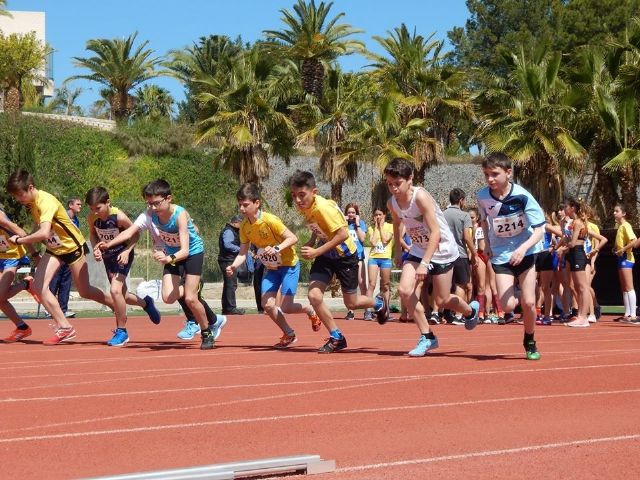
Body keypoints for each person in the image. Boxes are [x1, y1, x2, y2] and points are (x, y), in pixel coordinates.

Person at [99, 180, 225, 349]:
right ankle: (192, 286)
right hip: (172, 255)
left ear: (168, 199)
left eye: (156, 203)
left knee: (190, 298)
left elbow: (186, 251)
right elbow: (131, 231)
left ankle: (206, 332)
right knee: (168, 298)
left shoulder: (179, 214)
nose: (153, 207)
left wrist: (169, 258)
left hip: (191, 254)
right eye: (149, 203)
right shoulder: (149, 215)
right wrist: (110, 244)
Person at [6, 170, 115, 345]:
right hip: (55, 249)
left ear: (31, 187)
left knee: (85, 291)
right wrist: (35, 253)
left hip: (73, 248)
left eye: (20, 195)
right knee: (39, 286)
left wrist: (20, 240)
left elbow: (43, 233)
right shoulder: (31, 203)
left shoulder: (46, 201)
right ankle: (64, 327)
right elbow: (40, 227)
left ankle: (117, 306)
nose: (19, 199)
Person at [384, 158, 479, 357]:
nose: (393, 188)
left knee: (442, 300)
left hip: (442, 249)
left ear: (410, 179)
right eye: (389, 184)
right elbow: (396, 222)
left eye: (397, 183)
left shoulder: (421, 197)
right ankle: (427, 336)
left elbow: (436, 232)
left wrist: (425, 264)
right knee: (404, 290)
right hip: (418, 250)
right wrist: (398, 251)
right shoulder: (392, 202)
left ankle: (470, 312)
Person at [289, 170, 389, 354]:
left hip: (345, 256)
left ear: (314, 192)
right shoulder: (307, 206)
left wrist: (316, 250)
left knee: (351, 303)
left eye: (301, 195)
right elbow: (319, 224)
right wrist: (312, 242)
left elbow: (342, 234)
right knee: (314, 296)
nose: (297, 200)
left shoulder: (323, 208)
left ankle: (378, 303)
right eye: (294, 195)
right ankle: (336, 336)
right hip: (326, 256)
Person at [225, 183, 321, 348]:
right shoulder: (245, 227)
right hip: (272, 268)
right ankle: (289, 334)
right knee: (267, 305)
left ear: (257, 203)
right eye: (239, 204)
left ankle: (310, 310)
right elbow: (243, 252)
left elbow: (292, 238)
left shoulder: (269, 220)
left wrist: (276, 248)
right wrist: (233, 266)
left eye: (245, 204)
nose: (241, 208)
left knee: (287, 306)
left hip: (289, 265)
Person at [476, 153, 545, 360]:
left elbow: (540, 230)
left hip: (526, 252)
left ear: (508, 173)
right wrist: (487, 244)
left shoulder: (523, 196)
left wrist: (523, 248)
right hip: (500, 255)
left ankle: (530, 340)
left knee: (530, 303)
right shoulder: (482, 196)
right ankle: (521, 293)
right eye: (486, 174)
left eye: (495, 174)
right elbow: (485, 221)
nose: (490, 179)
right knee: (506, 307)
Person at [86, 186, 161, 346]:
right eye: (92, 209)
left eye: (98, 208)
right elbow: (92, 234)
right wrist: (95, 249)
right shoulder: (92, 218)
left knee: (114, 290)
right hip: (108, 256)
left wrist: (127, 251)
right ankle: (146, 303)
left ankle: (122, 331)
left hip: (122, 254)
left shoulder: (119, 217)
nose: (95, 212)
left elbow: (135, 234)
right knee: (123, 295)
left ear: (108, 203)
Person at [0, 204, 38, 342]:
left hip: (12, 257)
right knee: (1, 300)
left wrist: (34, 254)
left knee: (0, 296)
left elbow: (21, 232)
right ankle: (22, 327)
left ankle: (25, 284)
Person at [49, 197, 82, 318]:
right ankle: (50, 309)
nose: (80, 206)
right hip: (59, 252)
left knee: (66, 282)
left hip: (71, 254)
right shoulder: (62, 217)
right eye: (78, 204)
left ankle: (63, 309)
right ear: (70, 205)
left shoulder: (76, 220)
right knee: (54, 280)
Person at [443, 188, 478, 306]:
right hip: (460, 254)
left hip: (444, 254)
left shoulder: (442, 215)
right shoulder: (464, 216)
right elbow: (467, 237)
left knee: (445, 285)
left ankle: (439, 313)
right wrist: (474, 254)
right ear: (461, 200)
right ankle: (458, 314)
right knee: (461, 284)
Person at [364, 208, 393, 322]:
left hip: (385, 258)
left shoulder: (390, 227)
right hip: (374, 258)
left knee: (385, 285)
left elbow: (386, 239)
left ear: (384, 216)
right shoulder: (371, 228)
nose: (378, 217)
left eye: (380, 214)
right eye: (376, 215)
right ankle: (367, 311)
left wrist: (381, 227)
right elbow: (373, 242)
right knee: (371, 284)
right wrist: (376, 227)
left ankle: (385, 310)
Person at [613, 203, 637, 322]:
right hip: (620, 258)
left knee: (629, 286)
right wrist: (616, 249)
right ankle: (627, 313)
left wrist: (623, 249)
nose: (614, 213)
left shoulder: (626, 226)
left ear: (623, 213)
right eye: (614, 211)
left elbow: (634, 241)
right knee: (624, 287)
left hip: (627, 258)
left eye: (617, 211)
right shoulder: (620, 227)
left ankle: (633, 315)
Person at [344, 203, 368, 320]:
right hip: (347, 258)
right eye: (349, 212)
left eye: (353, 212)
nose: (351, 215)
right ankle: (350, 310)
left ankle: (367, 310)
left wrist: (357, 224)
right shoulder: (343, 225)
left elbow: (362, 238)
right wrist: (343, 222)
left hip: (358, 257)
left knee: (362, 283)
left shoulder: (361, 223)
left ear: (356, 213)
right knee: (349, 285)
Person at [218, 215, 245, 315]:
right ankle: (231, 308)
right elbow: (228, 245)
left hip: (228, 260)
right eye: (241, 224)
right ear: (236, 222)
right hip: (227, 260)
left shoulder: (232, 230)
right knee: (231, 284)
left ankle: (226, 308)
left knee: (228, 284)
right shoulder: (229, 231)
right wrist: (241, 249)